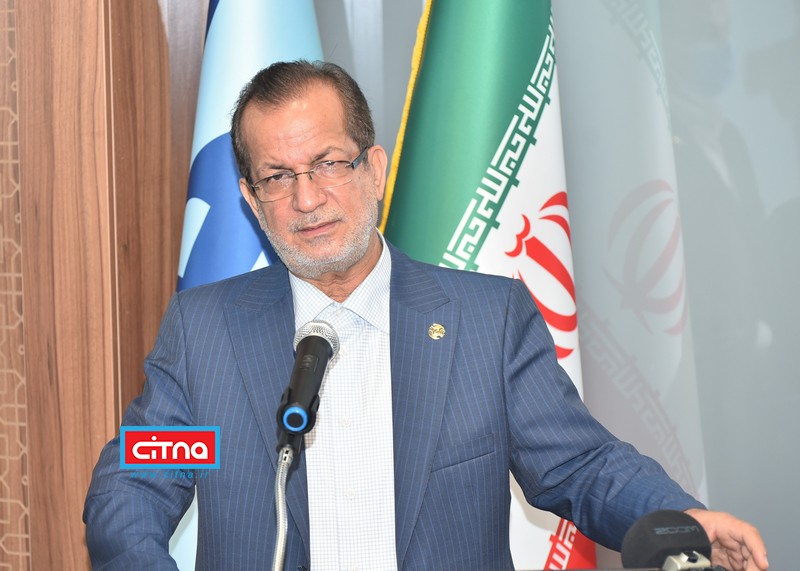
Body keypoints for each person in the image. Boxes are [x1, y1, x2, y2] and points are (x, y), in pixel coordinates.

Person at [84, 60, 768, 571]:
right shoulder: (206, 332)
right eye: (278, 176)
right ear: (250, 198)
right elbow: (136, 480)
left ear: (374, 168)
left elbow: (581, 466)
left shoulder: (486, 322)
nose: (307, 198)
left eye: (328, 163)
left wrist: (686, 520)